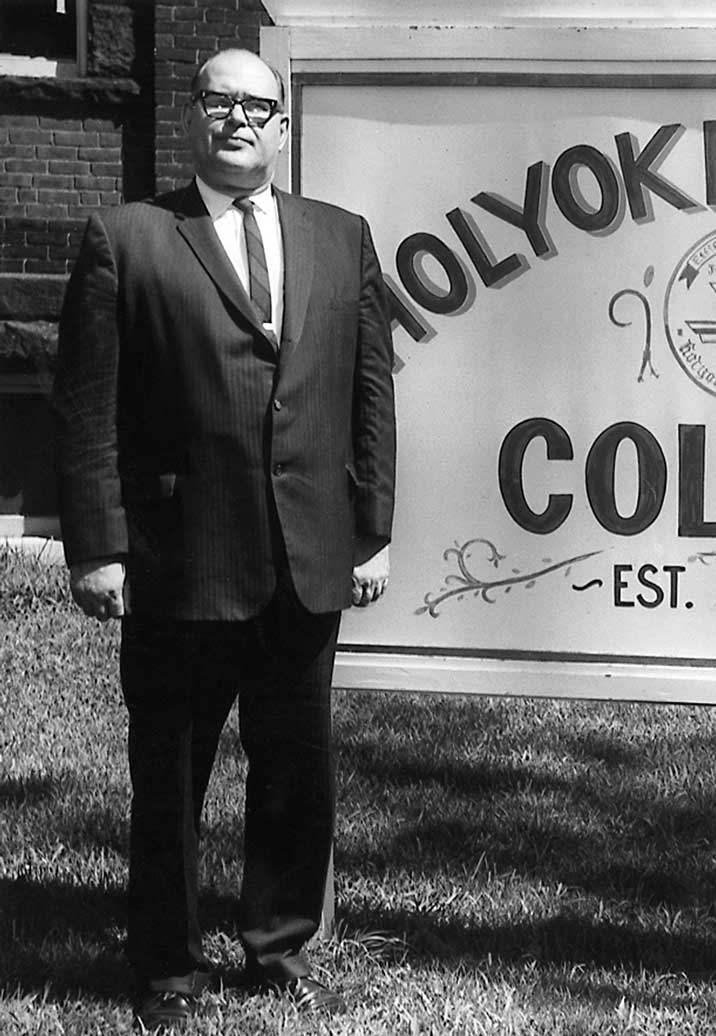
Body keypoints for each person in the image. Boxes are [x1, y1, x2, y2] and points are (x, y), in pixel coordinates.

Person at [50, 47, 396, 1030]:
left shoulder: (341, 239)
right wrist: (96, 547)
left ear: (282, 125)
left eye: (257, 105)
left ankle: (277, 947)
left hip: (305, 557)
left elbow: (370, 397)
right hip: (178, 559)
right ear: (194, 118)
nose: (238, 118)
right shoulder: (129, 237)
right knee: (168, 780)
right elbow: (86, 414)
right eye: (219, 102)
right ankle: (165, 962)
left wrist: (371, 533)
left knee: (295, 772)